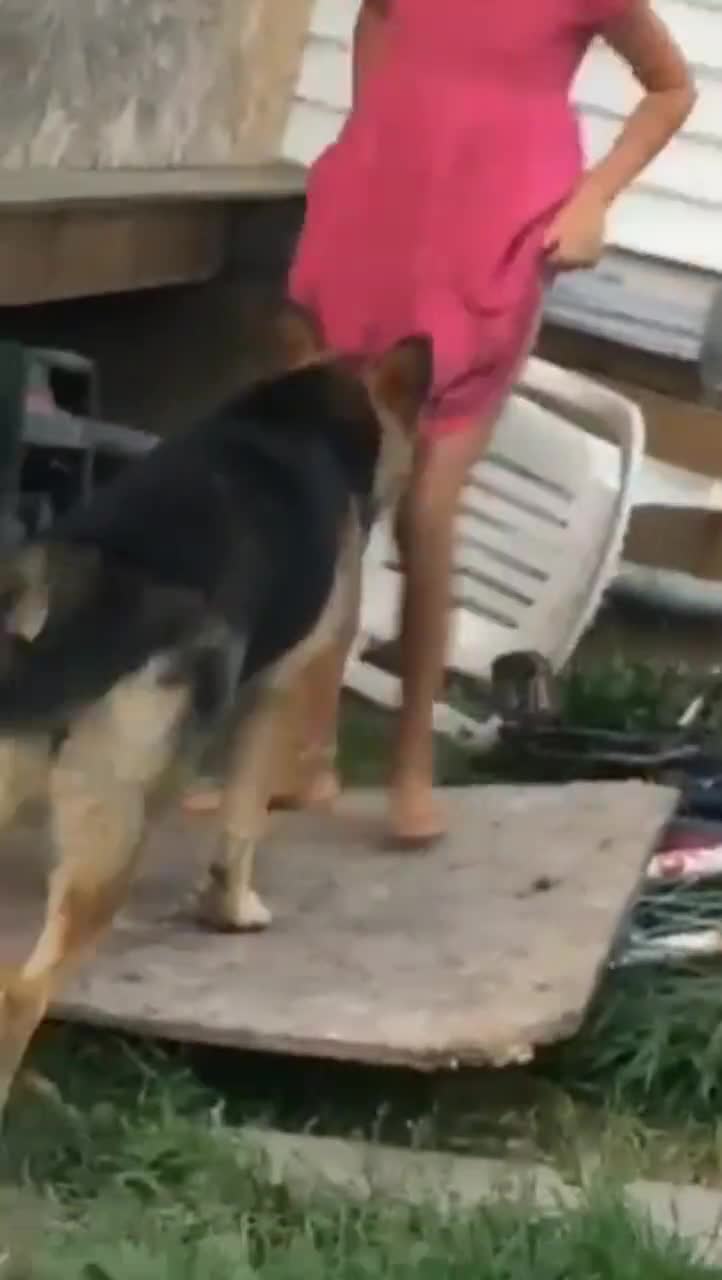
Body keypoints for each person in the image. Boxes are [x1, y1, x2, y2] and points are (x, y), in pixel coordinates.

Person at [185, 0, 694, 846]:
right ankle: (301, 757)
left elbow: (671, 87)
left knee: (424, 513)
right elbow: (376, 15)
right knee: (327, 500)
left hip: (494, 237)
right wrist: (364, 128)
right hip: (377, 216)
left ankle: (412, 763)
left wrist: (593, 201)